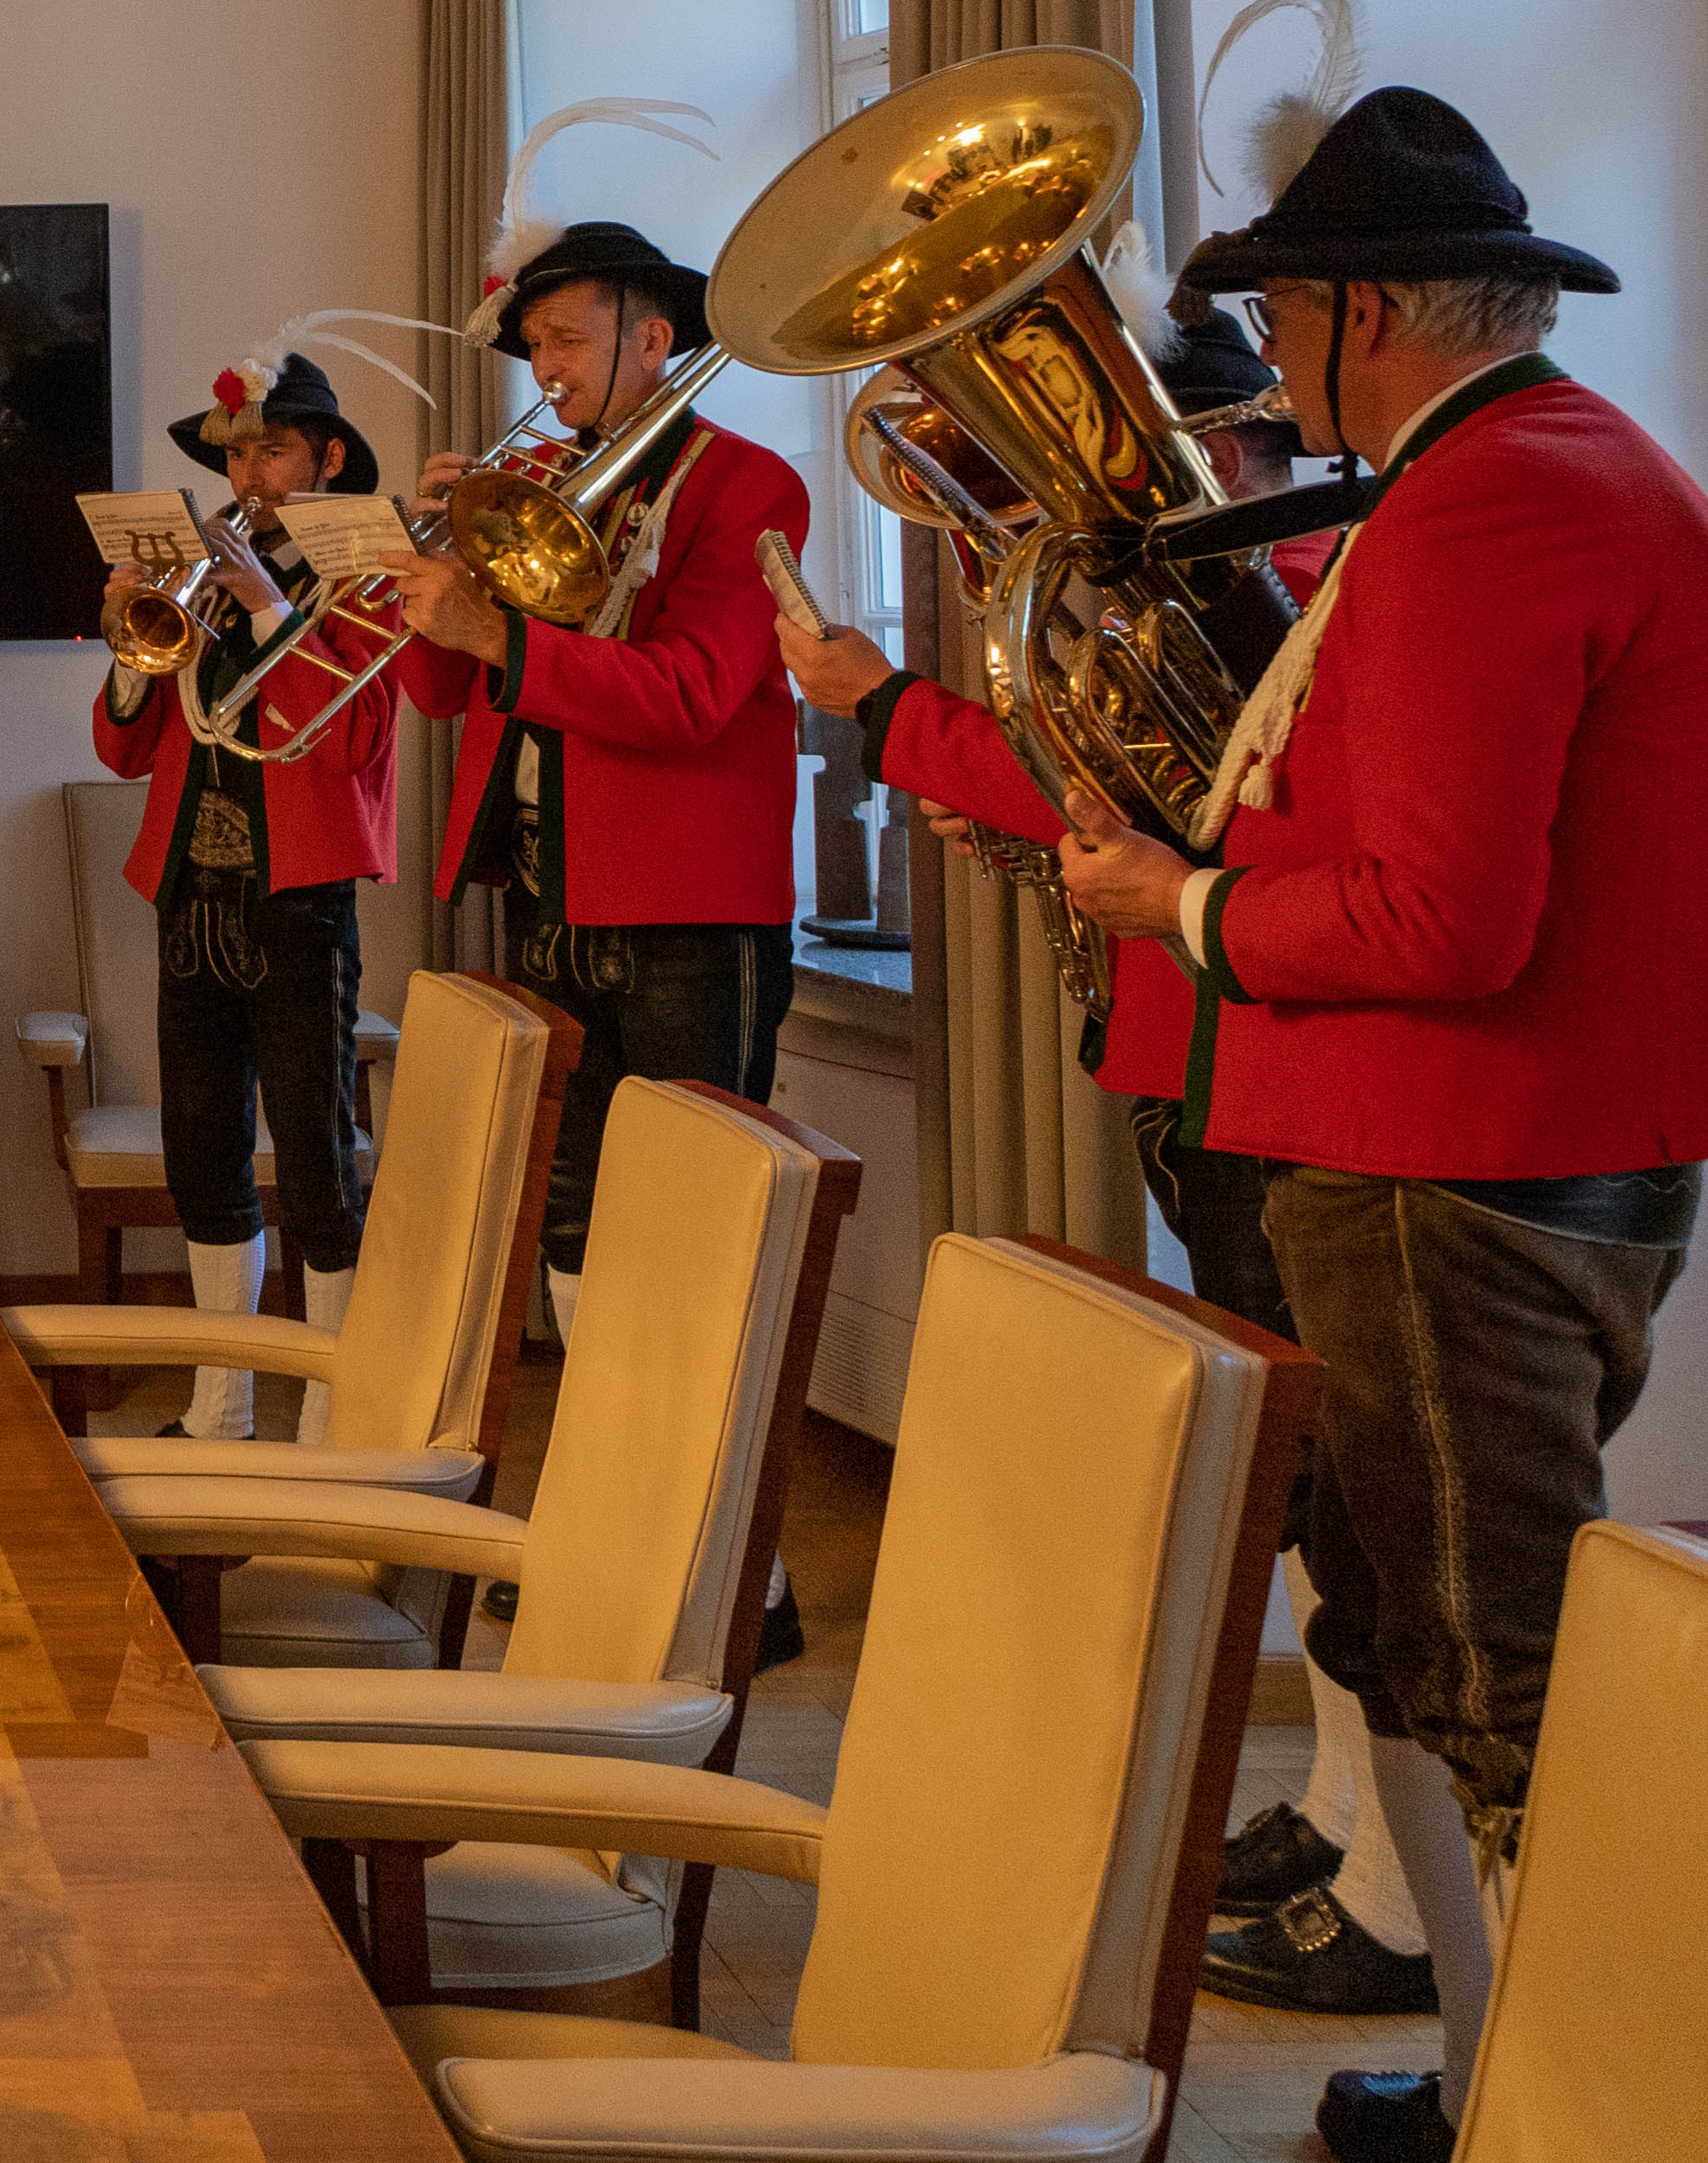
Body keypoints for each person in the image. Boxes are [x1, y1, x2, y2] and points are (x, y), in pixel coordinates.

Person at [1046, 90, 1708, 2163]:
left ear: (1356, 309)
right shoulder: (1519, 469)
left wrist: (1171, 906)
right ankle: (1495, 2083)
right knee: (1440, 1651)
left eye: (1281, 322)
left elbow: (1439, 923)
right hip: (1457, 1148)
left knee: (1507, 1693)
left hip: (1450, 1158)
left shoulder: (1490, 501)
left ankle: (1596, 2110)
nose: (1270, 367)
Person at [777, 292, 1440, 2021]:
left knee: (1338, 1486)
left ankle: (1396, 1887)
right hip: (1188, 1042)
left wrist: (893, 713)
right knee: (1307, 1487)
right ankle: (1340, 1811)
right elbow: (1117, 801)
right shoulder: (1204, 599)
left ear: (1225, 450)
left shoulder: (1265, 598)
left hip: (1253, 1055)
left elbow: (1204, 800)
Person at [385, 219, 805, 1331]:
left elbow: (691, 696)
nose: (546, 370)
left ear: (652, 337)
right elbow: (440, 698)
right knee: (566, 1213)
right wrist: (433, 576)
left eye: (566, 339)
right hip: (545, 891)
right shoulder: (524, 481)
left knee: (689, 1215)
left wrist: (496, 637)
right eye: (535, 348)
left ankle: (681, 1481)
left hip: (687, 910)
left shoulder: (748, 484)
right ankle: (591, 1458)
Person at [91, 335, 400, 1437]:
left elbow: (356, 734)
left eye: (272, 451)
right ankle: (220, 1407)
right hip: (192, 894)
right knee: (202, 1156)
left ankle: (328, 1415)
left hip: (299, 900)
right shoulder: (202, 579)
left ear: (324, 458)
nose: (249, 477)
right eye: (237, 456)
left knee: (318, 1165)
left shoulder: (363, 578)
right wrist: (135, 642)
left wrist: (273, 607)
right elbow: (125, 750)